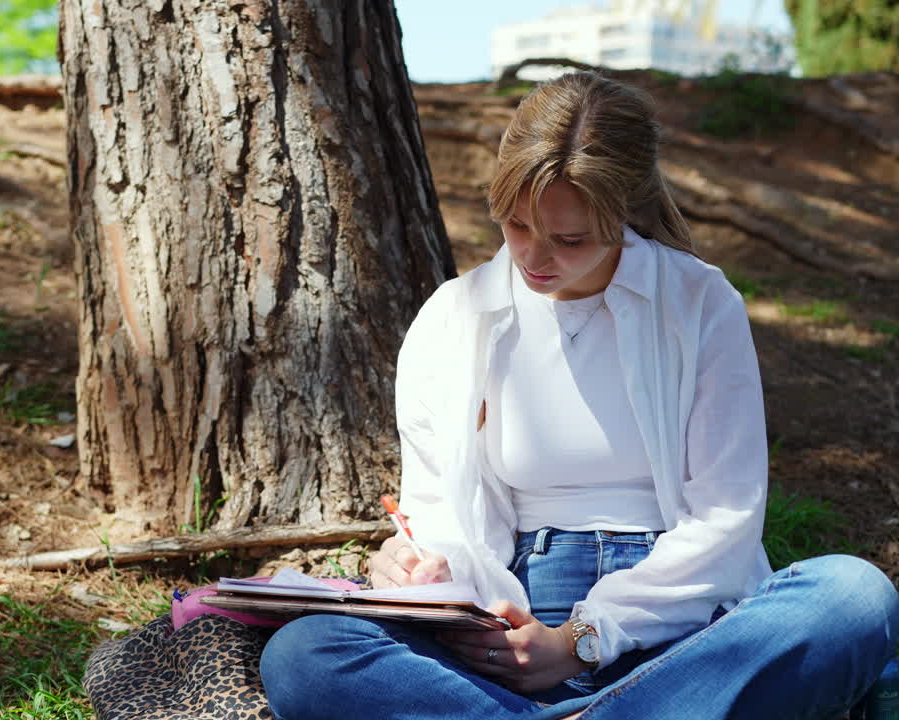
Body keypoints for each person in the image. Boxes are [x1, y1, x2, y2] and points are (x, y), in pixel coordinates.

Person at [259, 70, 899, 719]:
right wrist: (420, 569)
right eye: (516, 226)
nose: (534, 258)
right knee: (306, 654)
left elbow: (725, 524)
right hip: (513, 637)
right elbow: (440, 514)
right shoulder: (453, 318)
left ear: (628, 212)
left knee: (854, 595)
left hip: (685, 633)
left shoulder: (700, 304)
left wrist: (583, 641)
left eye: (570, 239)